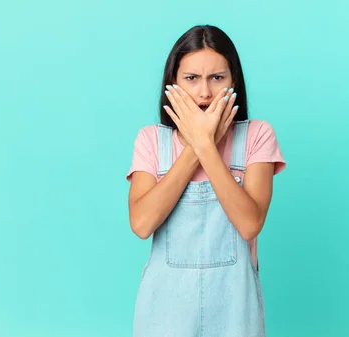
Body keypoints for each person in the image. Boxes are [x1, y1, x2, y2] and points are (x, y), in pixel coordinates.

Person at [125, 24, 286, 337]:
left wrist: (205, 146)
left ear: (233, 81)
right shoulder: (151, 141)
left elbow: (249, 223)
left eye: (217, 77)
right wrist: (197, 145)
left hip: (235, 312)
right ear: (172, 83)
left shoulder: (256, 136)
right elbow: (142, 224)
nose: (204, 92)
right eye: (191, 78)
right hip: (163, 313)